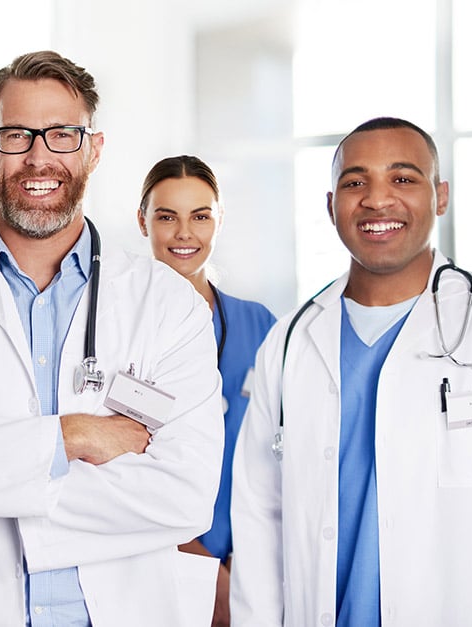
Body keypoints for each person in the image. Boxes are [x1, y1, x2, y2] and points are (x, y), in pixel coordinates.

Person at [0, 50, 224, 627]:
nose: (40, 157)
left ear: (93, 150)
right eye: (17, 135)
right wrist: (70, 436)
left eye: (62, 135)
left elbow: (185, 493)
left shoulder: (169, 306)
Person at [231, 117, 472, 625]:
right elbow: (258, 520)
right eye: (355, 182)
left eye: (403, 178)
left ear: (440, 195)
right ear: (330, 205)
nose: (377, 200)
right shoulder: (290, 342)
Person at [136, 155, 275, 627]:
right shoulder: (120, 330)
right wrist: (201, 565)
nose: (184, 234)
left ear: (219, 220)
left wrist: (243, 565)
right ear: (143, 221)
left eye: (200, 216)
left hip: (252, 560)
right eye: (166, 216)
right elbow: (114, 463)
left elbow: (285, 454)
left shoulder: (260, 326)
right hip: (156, 555)